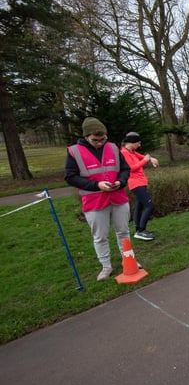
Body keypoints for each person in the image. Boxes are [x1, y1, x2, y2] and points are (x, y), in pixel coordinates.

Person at [64, 117, 132, 281]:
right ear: (86, 136)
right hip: (94, 201)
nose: (100, 143)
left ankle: (128, 260)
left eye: (103, 139)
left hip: (118, 196)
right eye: (95, 140)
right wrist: (96, 185)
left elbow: (124, 169)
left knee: (123, 231)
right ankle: (106, 266)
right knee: (100, 236)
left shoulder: (113, 147)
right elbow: (70, 177)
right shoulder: (74, 151)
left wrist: (120, 181)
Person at [120, 132, 159, 241]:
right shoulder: (124, 153)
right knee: (149, 206)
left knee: (139, 206)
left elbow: (143, 157)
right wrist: (145, 160)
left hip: (141, 183)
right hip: (135, 183)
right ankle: (141, 230)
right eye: (138, 143)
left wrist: (151, 159)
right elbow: (132, 168)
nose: (139, 145)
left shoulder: (132, 152)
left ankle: (138, 229)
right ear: (131, 143)